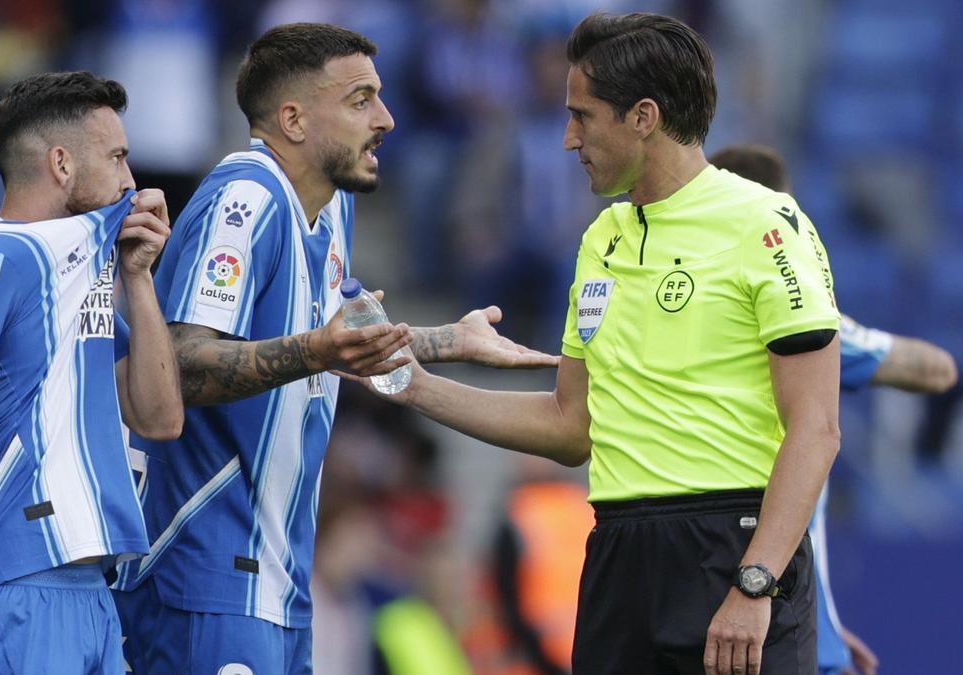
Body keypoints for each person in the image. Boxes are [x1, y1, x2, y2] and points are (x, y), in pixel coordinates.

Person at [362, 12, 844, 675]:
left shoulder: (767, 223)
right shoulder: (601, 240)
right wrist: (413, 385)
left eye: (583, 116)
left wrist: (755, 580)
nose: (567, 138)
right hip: (618, 553)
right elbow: (570, 425)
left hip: (731, 544)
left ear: (643, 116)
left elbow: (816, 428)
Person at [110, 22, 559, 675]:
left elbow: (333, 344)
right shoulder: (245, 198)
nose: (387, 118)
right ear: (293, 119)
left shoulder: (332, 204)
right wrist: (317, 352)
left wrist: (446, 340)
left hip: (278, 575)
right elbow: (179, 366)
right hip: (204, 573)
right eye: (360, 100)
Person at [0, 71, 183, 675]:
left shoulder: (82, 275)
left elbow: (159, 416)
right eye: (118, 157)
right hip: (13, 585)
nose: (131, 181)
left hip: (94, 588)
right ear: (62, 164)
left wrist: (140, 279)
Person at [710, 142, 959, 675]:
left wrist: (824, 620)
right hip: (782, 633)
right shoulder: (797, 322)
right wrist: (831, 327)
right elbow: (937, 369)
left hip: (706, 616)